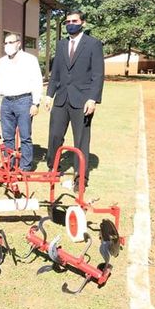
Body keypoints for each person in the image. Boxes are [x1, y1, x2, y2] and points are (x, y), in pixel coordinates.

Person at [45, 10, 104, 188]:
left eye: (75, 21)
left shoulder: (93, 44)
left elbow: (98, 74)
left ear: (83, 23)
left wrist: (93, 98)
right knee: (55, 136)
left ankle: (81, 177)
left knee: (81, 140)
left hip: (83, 101)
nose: (71, 23)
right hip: (61, 99)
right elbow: (55, 73)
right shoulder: (61, 45)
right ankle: (53, 169)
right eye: (68, 21)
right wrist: (49, 95)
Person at [0, 33, 43, 171]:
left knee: (25, 136)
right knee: (7, 137)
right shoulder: (1, 62)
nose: (8, 45)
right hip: (7, 102)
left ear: (19, 43)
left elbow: (37, 81)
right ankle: (10, 165)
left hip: (24, 101)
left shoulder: (30, 60)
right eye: (6, 43)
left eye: (11, 42)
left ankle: (25, 167)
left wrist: (35, 103)